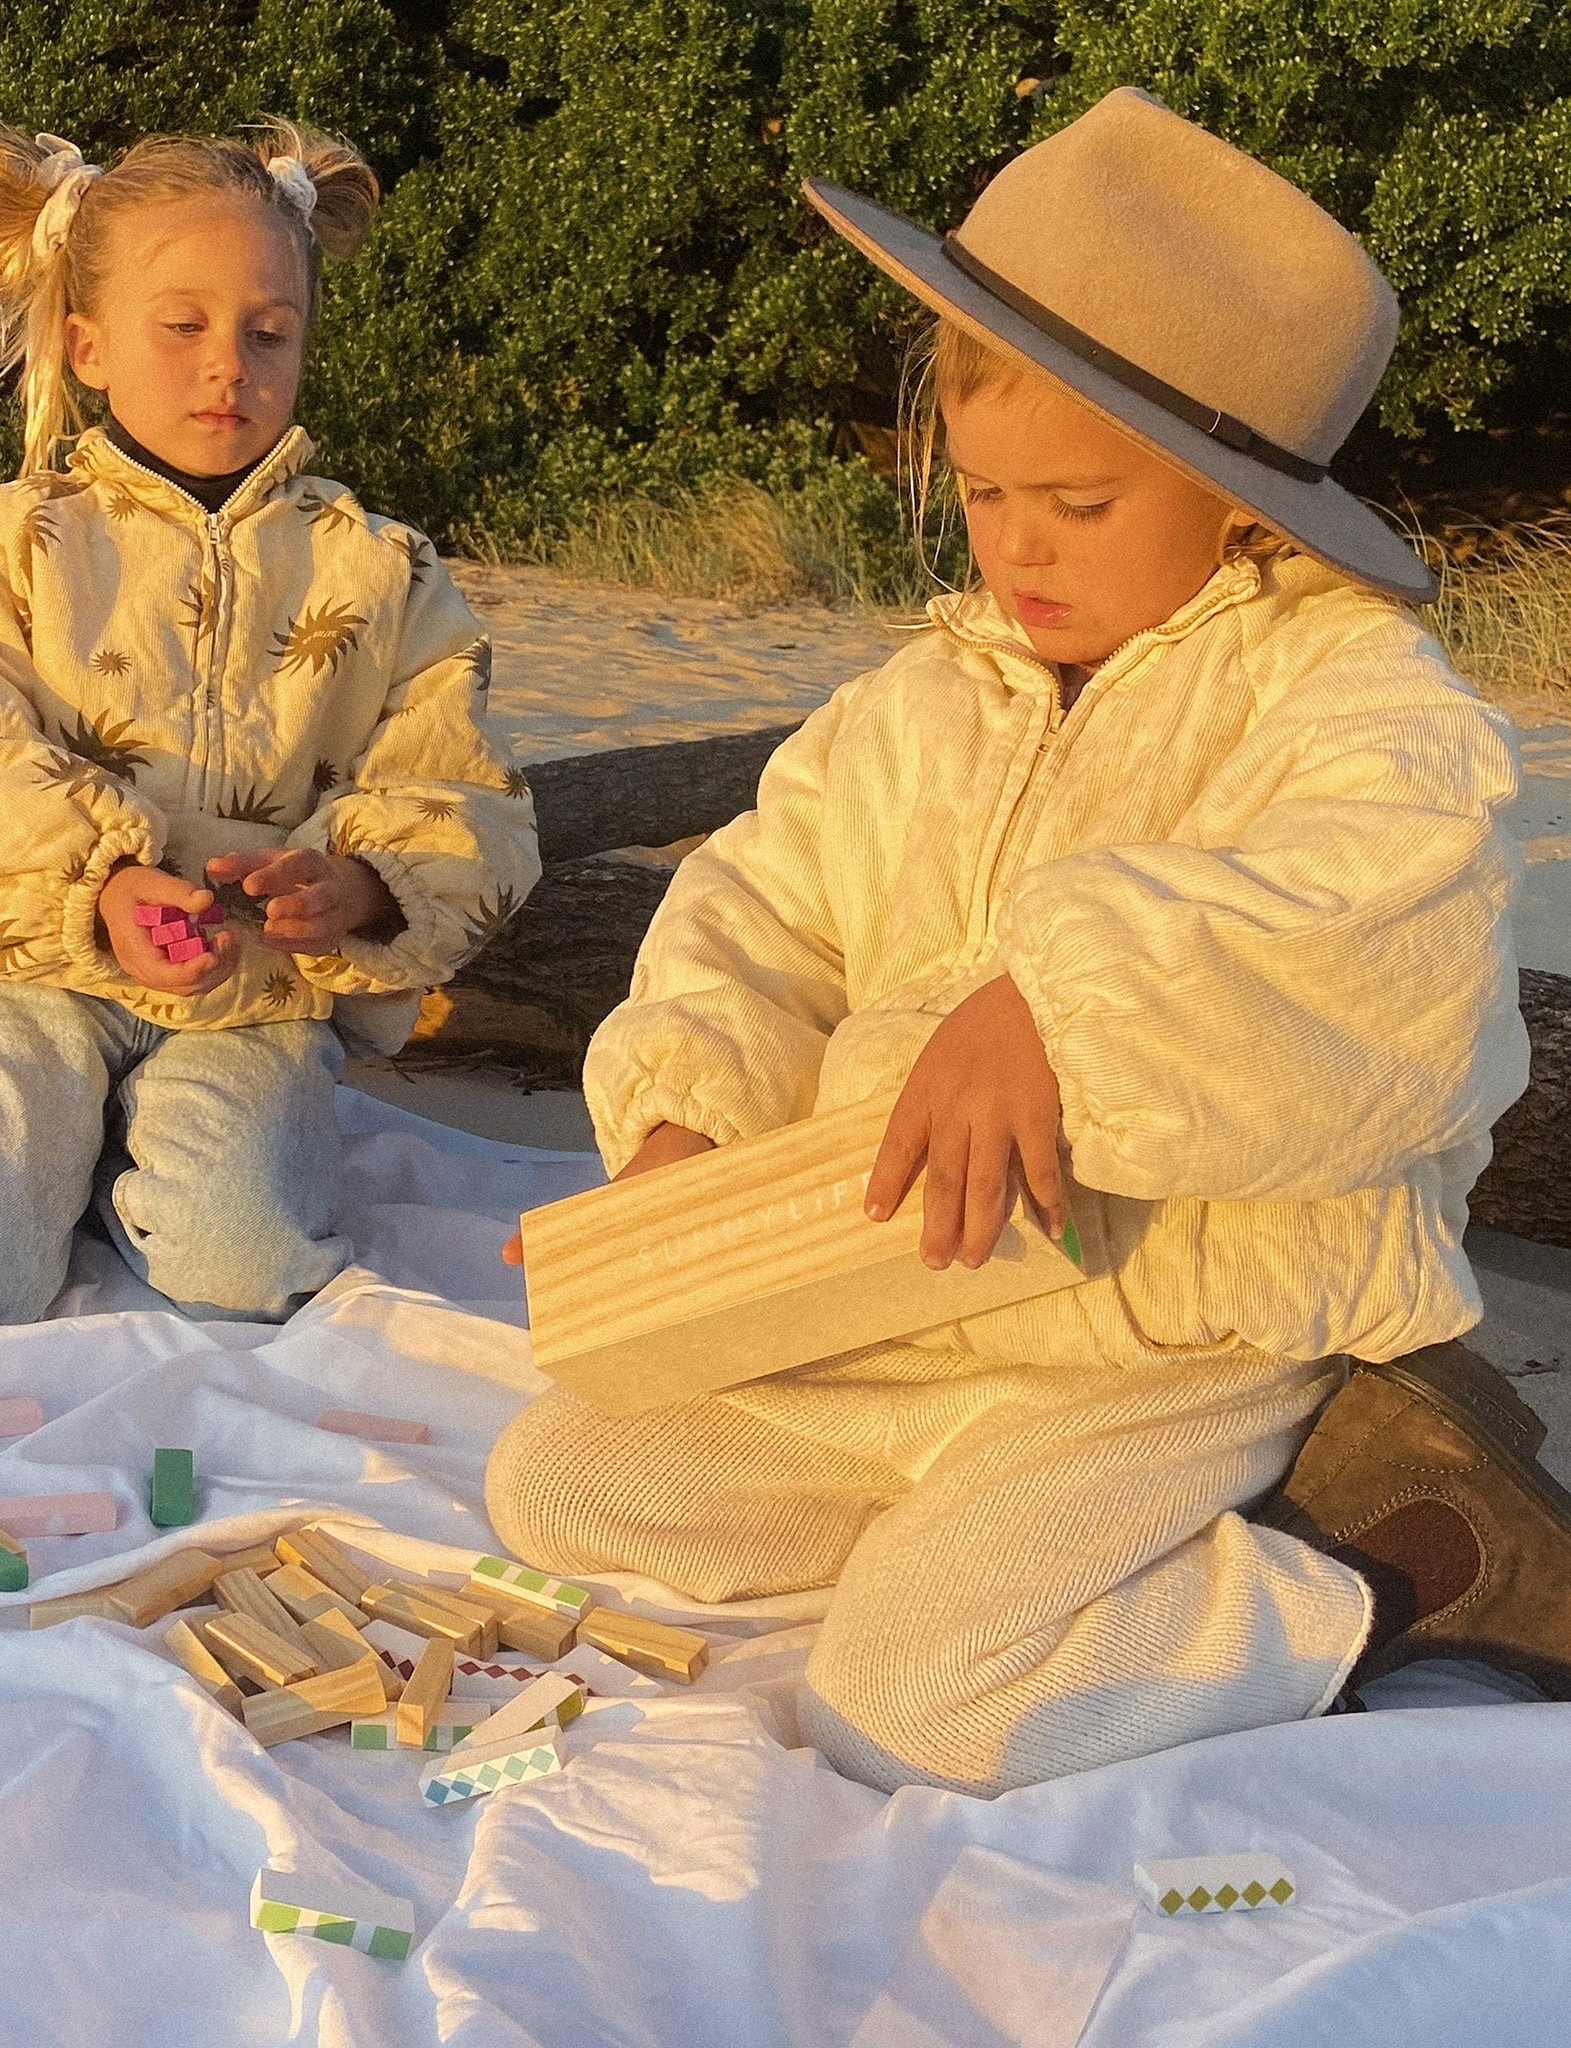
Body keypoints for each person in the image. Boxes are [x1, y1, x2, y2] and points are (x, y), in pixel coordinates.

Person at [488, 87, 1571, 1797]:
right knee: (567, 1480)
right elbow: (760, 913)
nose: (1018, 548)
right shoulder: (920, 694)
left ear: (1233, 502)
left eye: (1075, 502)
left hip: (1168, 1324)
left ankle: (1376, 1565)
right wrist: (686, 1124)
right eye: (986, 496)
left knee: (918, 1699)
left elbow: (1388, 946)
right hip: (911, 1299)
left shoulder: (1357, 702)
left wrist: (1059, 1014)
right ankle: (1012, 1544)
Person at [0, 119, 539, 1331]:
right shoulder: (4, 545)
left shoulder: (381, 572)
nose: (227, 365)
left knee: (247, 1270)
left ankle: (92, 1164)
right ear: (87, 345)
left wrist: (358, 884)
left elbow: (467, 792)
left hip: (253, 994)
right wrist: (99, 882)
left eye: (268, 331)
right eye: (183, 324)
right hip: (27, 968)